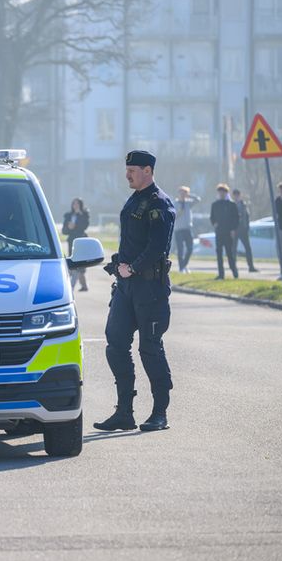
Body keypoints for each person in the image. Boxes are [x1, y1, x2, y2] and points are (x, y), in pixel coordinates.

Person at [95, 150, 175, 433]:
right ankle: (124, 412)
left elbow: (157, 248)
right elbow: (133, 241)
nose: (127, 174)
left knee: (150, 348)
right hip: (126, 287)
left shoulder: (159, 204)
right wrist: (119, 264)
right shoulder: (134, 200)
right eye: (126, 169)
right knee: (115, 343)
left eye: (132, 169)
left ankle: (159, 413)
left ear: (148, 171)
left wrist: (135, 267)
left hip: (149, 289)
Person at [209, 183, 239, 280]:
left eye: (223, 192)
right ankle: (221, 274)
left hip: (228, 232)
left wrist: (233, 229)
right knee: (219, 254)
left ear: (226, 193)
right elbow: (212, 217)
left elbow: (236, 218)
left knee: (229, 253)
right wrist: (214, 224)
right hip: (219, 232)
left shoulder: (231, 204)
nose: (221, 193)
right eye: (220, 192)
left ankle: (234, 270)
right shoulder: (215, 204)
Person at [62, 198, 90, 291]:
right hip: (72, 241)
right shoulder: (68, 215)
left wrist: (79, 216)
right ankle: (80, 286)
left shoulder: (84, 215)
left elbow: (84, 226)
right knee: (74, 262)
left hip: (81, 240)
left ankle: (80, 286)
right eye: (74, 204)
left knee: (81, 262)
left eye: (77, 204)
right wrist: (69, 228)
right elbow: (64, 231)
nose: (75, 205)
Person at [173, 186, 200, 273]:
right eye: (181, 193)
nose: (182, 195)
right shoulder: (175, 204)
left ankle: (184, 265)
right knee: (180, 249)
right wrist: (178, 214)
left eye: (184, 193)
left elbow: (198, 199)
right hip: (178, 230)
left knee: (190, 248)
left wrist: (189, 195)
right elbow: (172, 217)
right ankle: (181, 268)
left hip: (188, 229)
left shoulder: (189, 203)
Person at [230, 189, 258, 273]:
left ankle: (251, 266)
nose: (236, 197)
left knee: (248, 248)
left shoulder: (244, 205)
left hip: (243, 229)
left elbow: (247, 216)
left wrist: (247, 227)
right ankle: (233, 266)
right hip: (234, 229)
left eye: (237, 195)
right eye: (235, 195)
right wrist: (231, 229)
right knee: (233, 249)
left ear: (239, 195)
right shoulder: (231, 205)